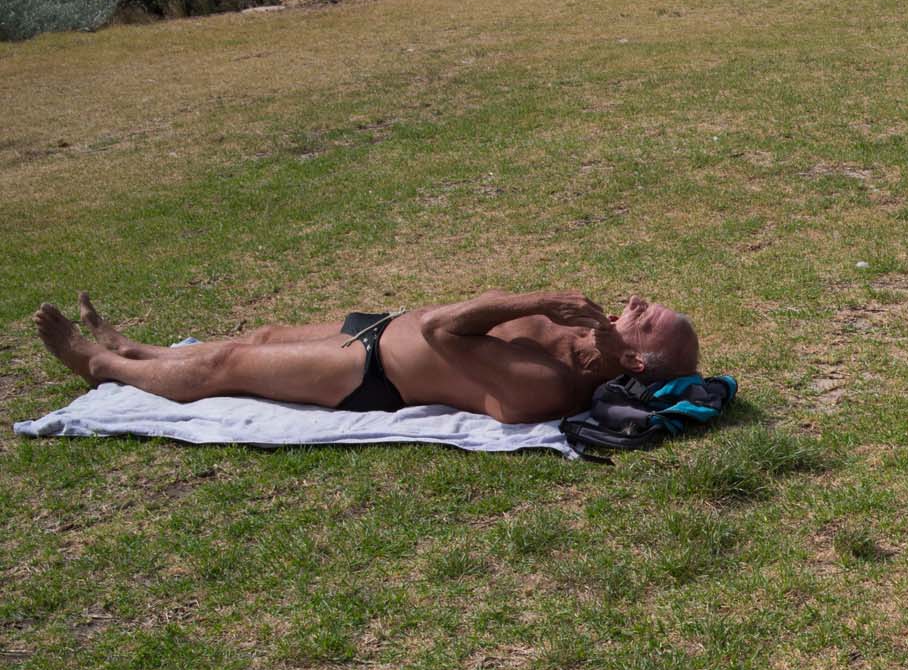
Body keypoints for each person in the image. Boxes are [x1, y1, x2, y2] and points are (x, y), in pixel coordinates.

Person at [32, 290, 698, 425]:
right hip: (381, 329)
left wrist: (540, 299)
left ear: (635, 366)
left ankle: (103, 368)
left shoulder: (551, 386)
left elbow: (441, 330)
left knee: (227, 365)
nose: (637, 298)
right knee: (258, 337)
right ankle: (139, 352)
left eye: (647, 317)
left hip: (372, 374)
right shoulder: (582, 334)